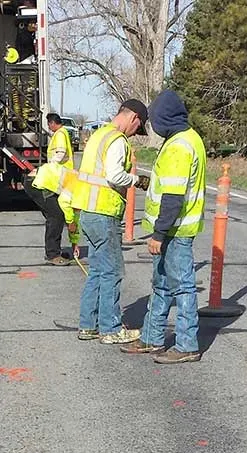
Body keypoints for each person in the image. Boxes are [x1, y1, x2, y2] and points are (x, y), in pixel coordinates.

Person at [121, 90, 206, 363]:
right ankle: (151, 338)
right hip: (173, 229)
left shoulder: (179, 146)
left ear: (164, 118)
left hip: (175, 231)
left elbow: (172, 196)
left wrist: (158, 234)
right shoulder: (187, 139)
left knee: (181, 288)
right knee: (161, 286)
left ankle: (186, 345)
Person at [72, 99, 151, 344]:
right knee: (112, 272)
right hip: (104, 213)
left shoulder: (98, 136)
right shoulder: (117, 141)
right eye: (138, 128)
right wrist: (137, 180)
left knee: (96, 271)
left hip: (88, 211)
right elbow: (114, 174)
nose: (135, 132)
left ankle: (88, 325)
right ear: (134, 118)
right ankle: (110, 328)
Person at [31, 112, 74, 266]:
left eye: (49, 124)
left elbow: (61, 153)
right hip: (46, 182)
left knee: (56, 215)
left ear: (52, 123)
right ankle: (52, 254)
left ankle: (53, 251)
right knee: (56, 216)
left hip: (54, 180)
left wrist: (51, 165)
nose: (48, 127)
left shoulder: (60, 134)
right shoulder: (61, 134)